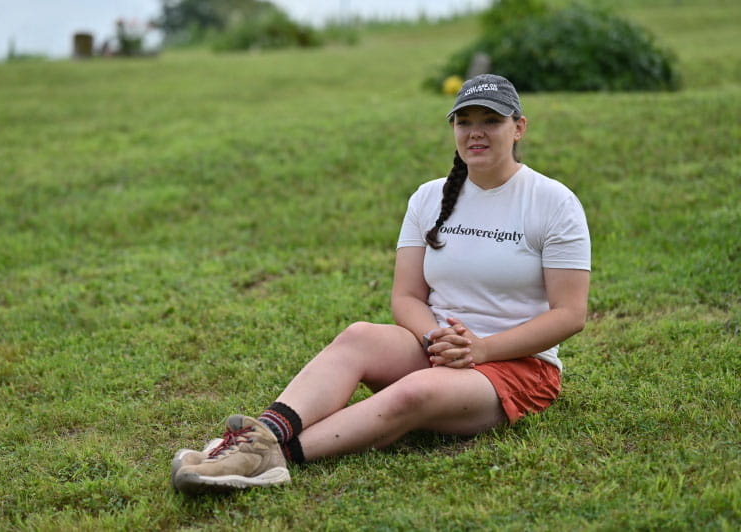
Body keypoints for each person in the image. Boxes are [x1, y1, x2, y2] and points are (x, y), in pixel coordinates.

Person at [170, 74, 591, 494]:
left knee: (414, 393)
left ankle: (271, 457)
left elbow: (570, 315)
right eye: (464, 121)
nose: (475, 132)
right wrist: (434, 337)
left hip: (517, 367)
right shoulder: (429, 197)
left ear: (518, 127)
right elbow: (406, 296)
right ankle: (259, 437)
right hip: (438, 350)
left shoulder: (553, 202)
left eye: (491, 120)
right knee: (359, 336)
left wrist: (482, 349)